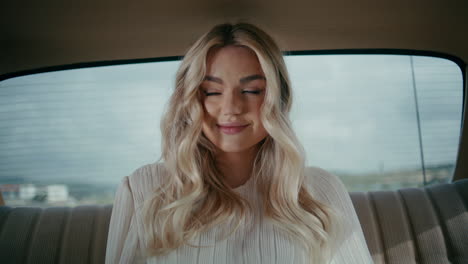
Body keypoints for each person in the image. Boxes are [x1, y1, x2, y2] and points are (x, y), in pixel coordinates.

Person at [105, 23, 373, 264]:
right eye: (212, 91)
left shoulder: (321, 191)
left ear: (278, 99)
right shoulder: (142, 189)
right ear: (190, 100)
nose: (231, 108)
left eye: (251, 91)